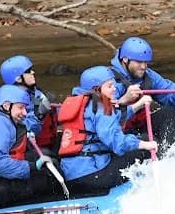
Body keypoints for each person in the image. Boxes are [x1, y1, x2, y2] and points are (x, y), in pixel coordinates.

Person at [58, 66, 157, 195]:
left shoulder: (83, 105)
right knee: (146, 143)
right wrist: (145, 144)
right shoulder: (101, 109)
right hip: (93, 175)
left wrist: (138, 105)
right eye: (109, 86)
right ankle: (148, 188)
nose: (114, 89)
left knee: (136, 142)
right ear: (97, 89)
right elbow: (118, 144)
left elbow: (113, 119)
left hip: (71, 177)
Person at [109, 36, 175, 152]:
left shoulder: (148, 76)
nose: (143, 67)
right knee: (146, 139)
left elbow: (169, 99)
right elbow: (104, 117)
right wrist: (124, 99)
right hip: (120, 135)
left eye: (145, 62)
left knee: (169, 113)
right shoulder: (109, 81)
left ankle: (168, 155)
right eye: (138, 62)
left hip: (140, 126)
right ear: (125, 60)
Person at [0, 55, 57, 150]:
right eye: (28, 71)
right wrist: (39, 114)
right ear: (18, 79)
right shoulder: (9, 102)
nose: (33, 72)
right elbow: (20, 130)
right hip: (28, 149)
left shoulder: (35, 93)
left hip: (48, 142)